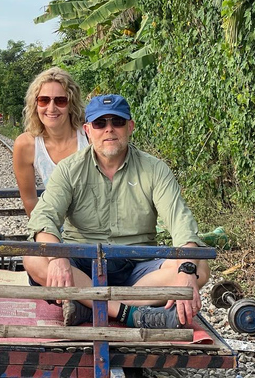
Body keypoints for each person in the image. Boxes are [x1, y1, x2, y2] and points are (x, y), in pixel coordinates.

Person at [24, 94, 210, 329]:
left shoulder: (154, 169)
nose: (109, 130)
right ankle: (128, 313)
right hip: (83, 263)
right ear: (88, 130)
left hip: (138, 267)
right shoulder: (69, 169)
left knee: (198, 267)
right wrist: (58, 256)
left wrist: (186, 268)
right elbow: (44, 219)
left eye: (117, 122)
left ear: (130, 127)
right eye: (100, 123)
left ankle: (88, 305)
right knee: (34, 257)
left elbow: (180, 220)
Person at [13, 67, 88, 217]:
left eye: (60, 101)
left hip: (95, 229)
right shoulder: (26, 145)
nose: (51, 108)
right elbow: (29, 199)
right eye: (44, 100)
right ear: (35, 104)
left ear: (71, 104)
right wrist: (43, 233)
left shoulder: (89, 136)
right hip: (56, 228)